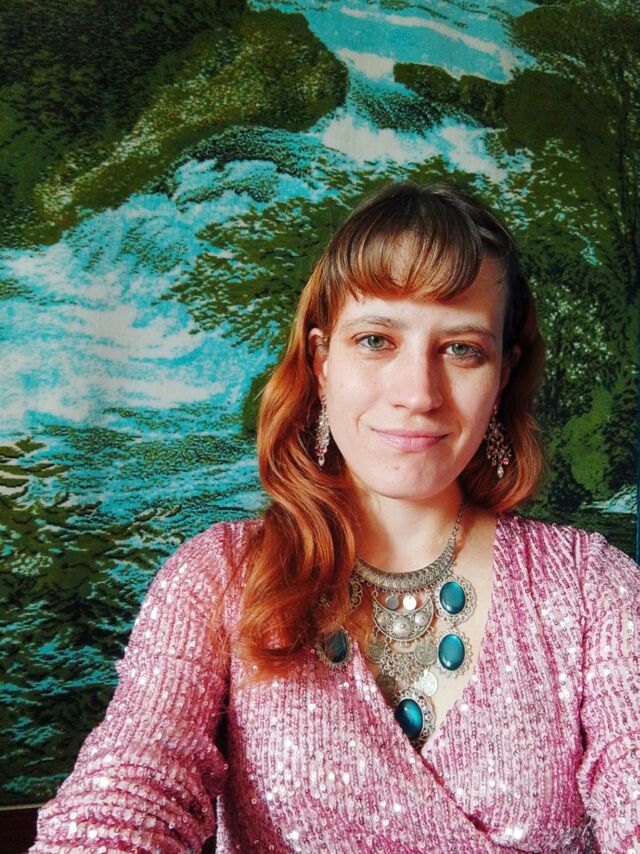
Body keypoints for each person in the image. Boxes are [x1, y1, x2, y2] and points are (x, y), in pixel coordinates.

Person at [31, 182, 639, 853]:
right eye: (376, 340)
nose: (417, 394)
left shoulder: (594, 589)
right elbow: (129, 791)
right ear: (322, 362)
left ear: (501, 376)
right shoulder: (216, 578)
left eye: (461, 349)